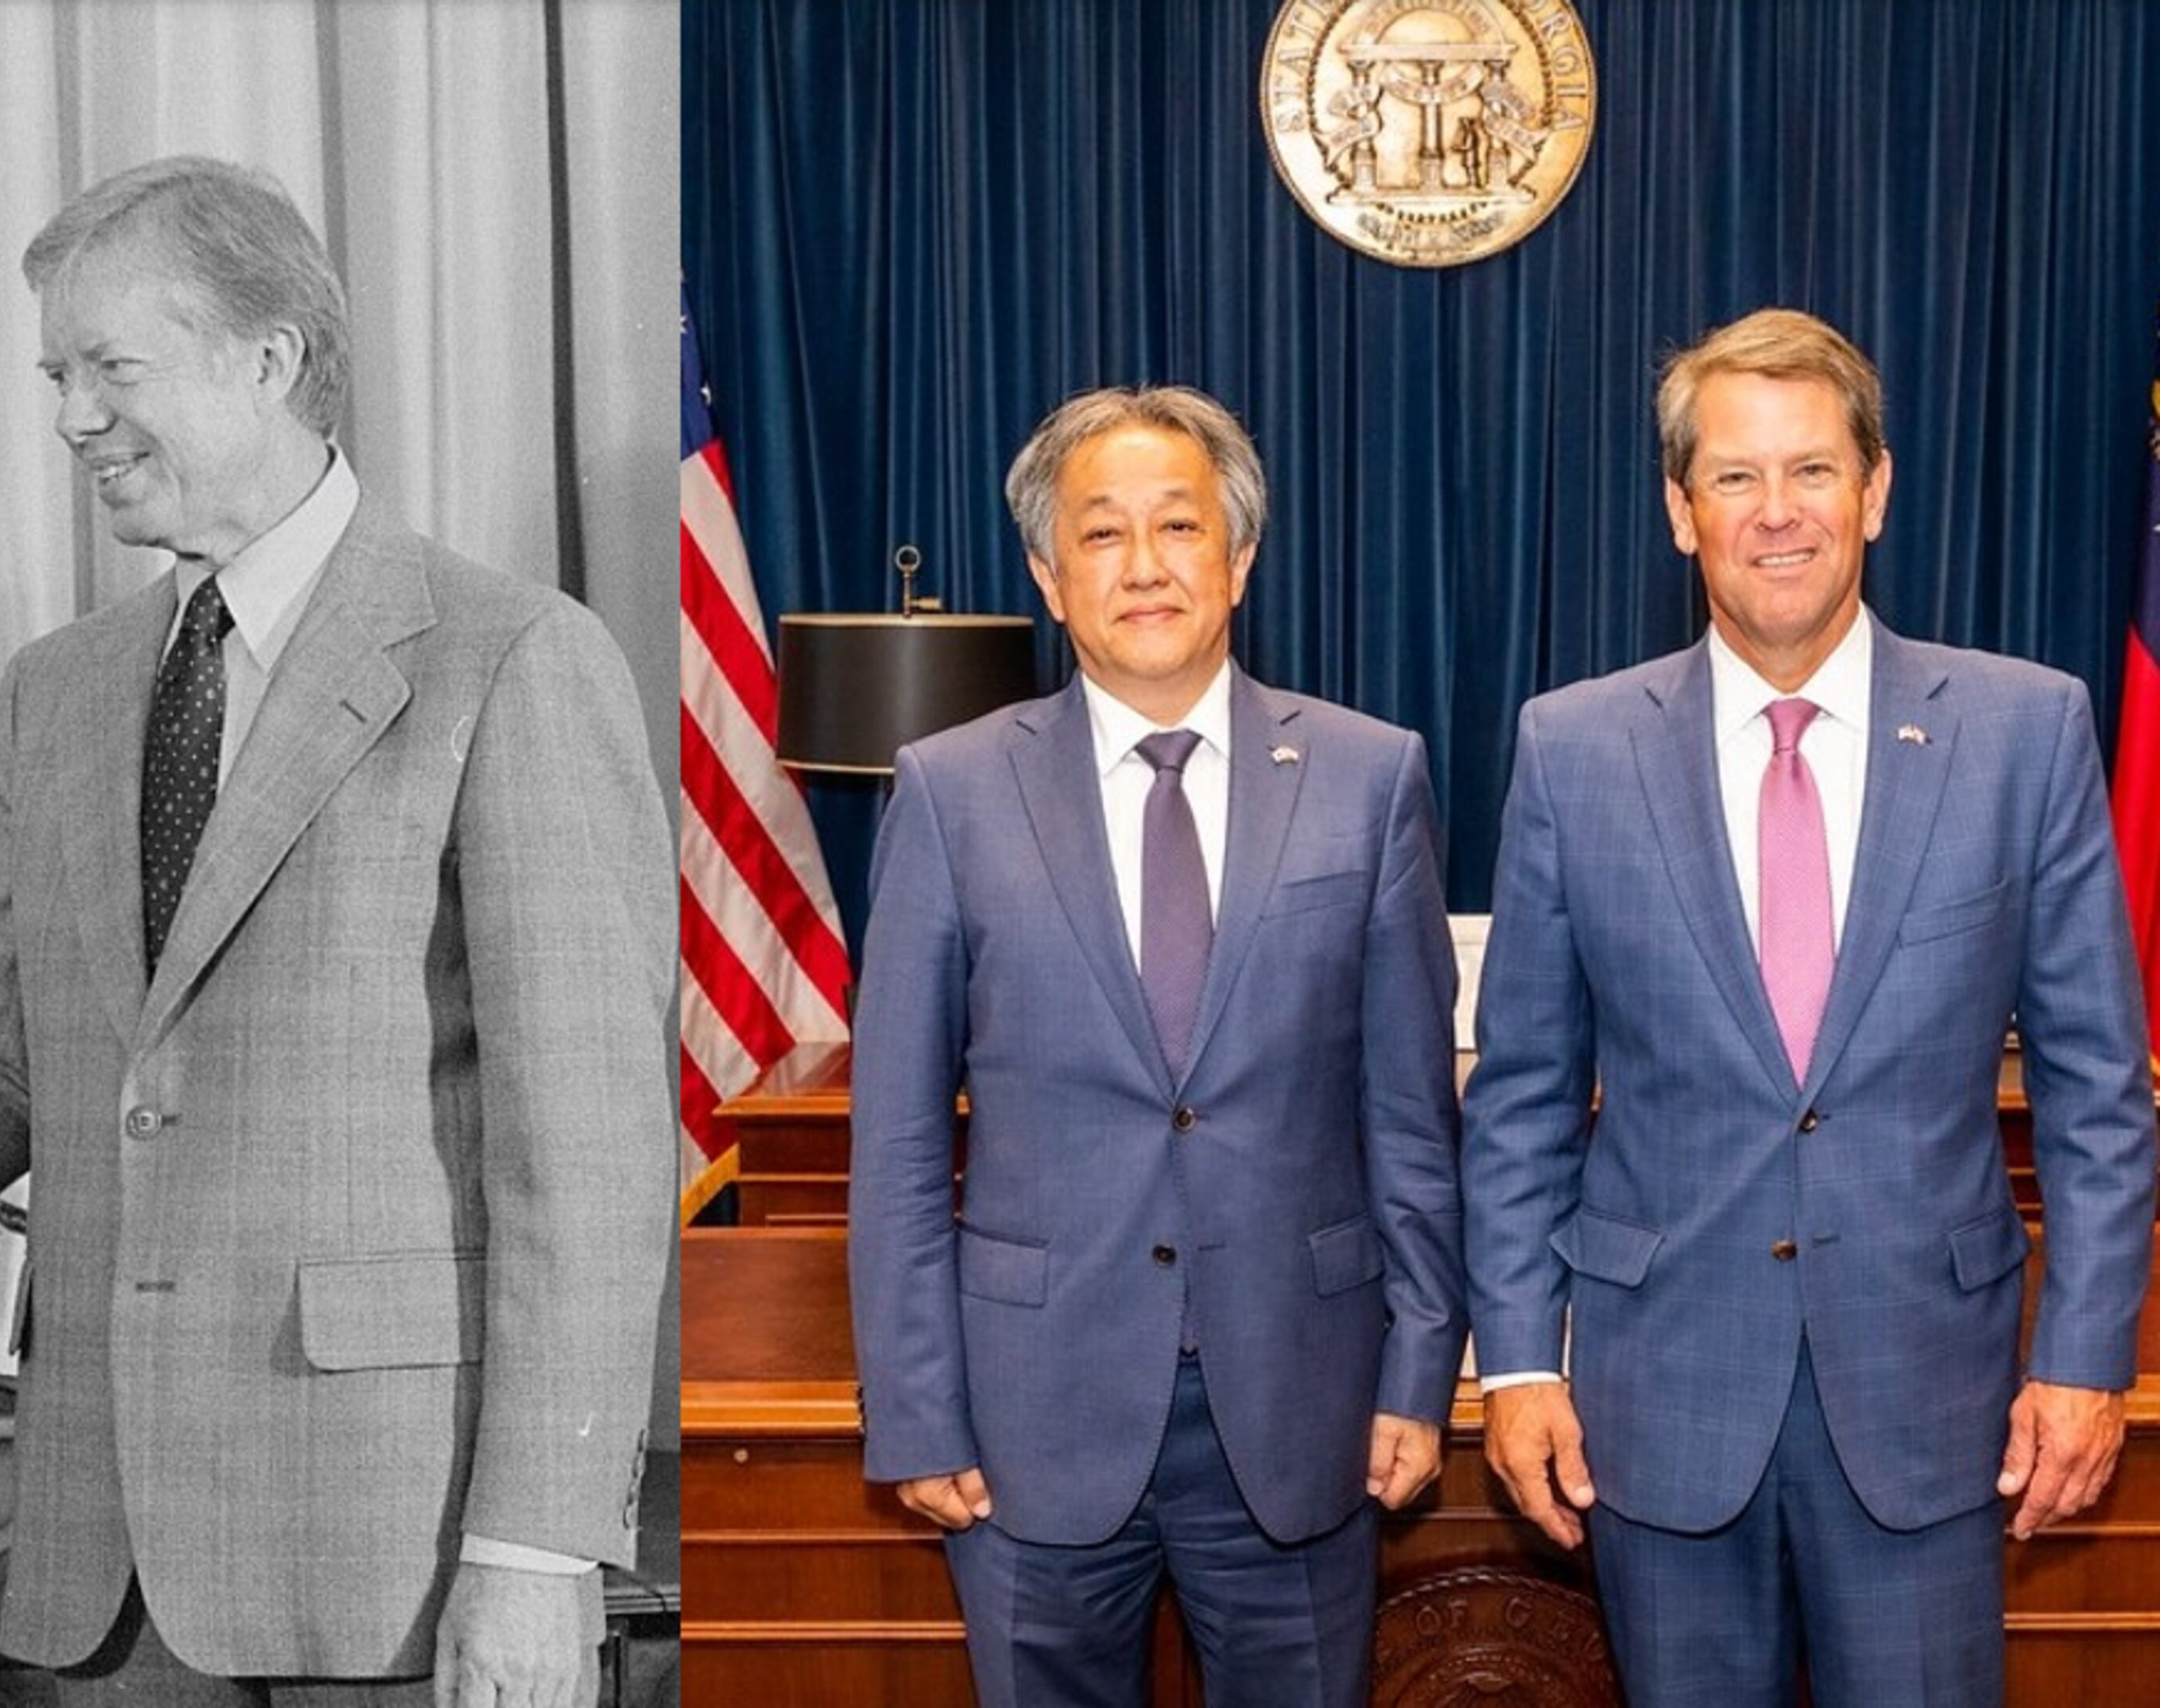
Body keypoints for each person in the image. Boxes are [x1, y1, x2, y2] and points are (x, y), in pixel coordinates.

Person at [0, 157, 672, 1706]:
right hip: (104, 1563)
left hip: (401, 1569)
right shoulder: (53, 693)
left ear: (267, 360)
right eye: (57, 375)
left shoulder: (510, 660)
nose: (71, 416)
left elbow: (589, 1156)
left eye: (109, 368)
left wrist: (538, 1555)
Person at [1460, 307, 2158, 1705]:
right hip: (1655, 1412)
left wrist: (2088, 1362)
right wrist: (1521, 1365)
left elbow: (2098, 1093)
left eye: (1813, 471)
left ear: (1876, 490)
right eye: (1734, 476)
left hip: (1936, 1405)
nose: (1776, 514)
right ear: (1679, 510)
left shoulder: (2025, 733)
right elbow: (1523, 1095)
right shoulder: (1575, 748)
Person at [848, 384, 1466, 1708]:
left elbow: (1412, 1117)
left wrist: (1421, 1369)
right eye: (1103, 534)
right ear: (1048, 575)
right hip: (1026, 1418)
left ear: (1238, 557)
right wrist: (914, 1406)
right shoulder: (951, 792)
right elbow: (897, 1140)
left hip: (1309, 1407)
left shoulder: (1371, 775)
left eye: (1179, 527)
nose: (1144, 567)